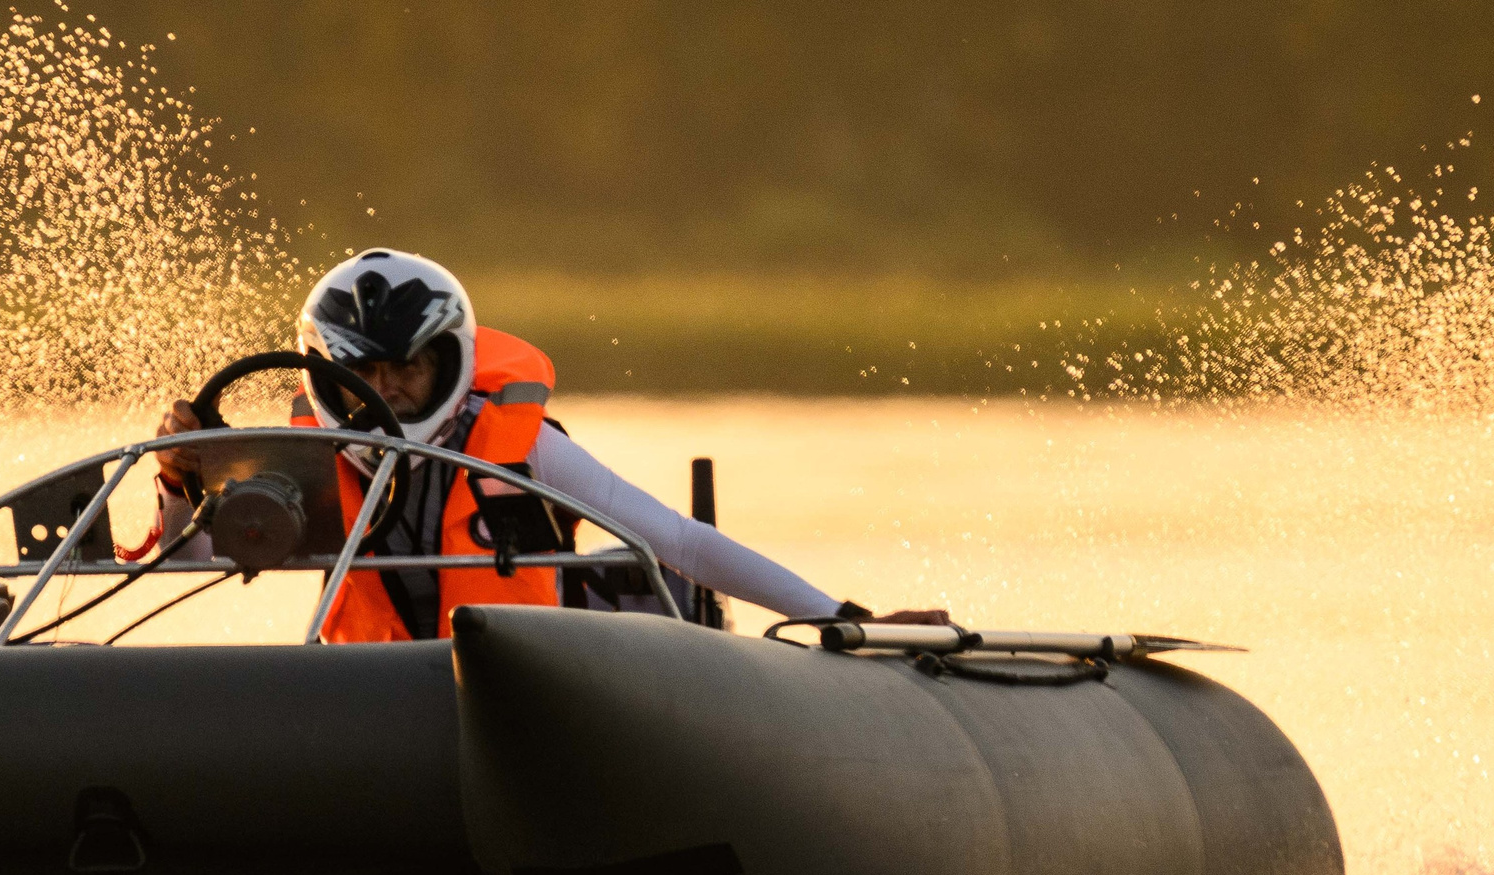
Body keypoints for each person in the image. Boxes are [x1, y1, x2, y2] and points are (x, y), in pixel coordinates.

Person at [149, 249, 945, 642]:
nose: (387, 394)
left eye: (408, 373)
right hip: (376, 701)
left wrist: (844, 619)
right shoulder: (299, 465)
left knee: (653, 563)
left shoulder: (522, 448)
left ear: (448, 367)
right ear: (329, 374)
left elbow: (673, 538)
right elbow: (190, 572)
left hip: (538, 691)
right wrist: (178, 481)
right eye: (367, 373)